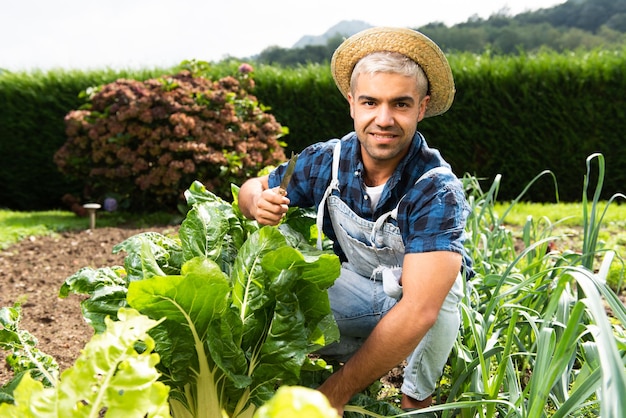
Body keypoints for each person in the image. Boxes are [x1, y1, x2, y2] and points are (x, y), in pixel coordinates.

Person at [239, 26, 472, 416]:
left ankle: (415, 401)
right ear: (352, 104)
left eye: (400, 104)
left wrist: (333, 394)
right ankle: (316, 364)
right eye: (370, 102)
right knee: (261, 292)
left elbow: (418, 309)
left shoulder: (436, 188)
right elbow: (253, 186)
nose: (384, 119)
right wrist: (256, 202)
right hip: (357, 290)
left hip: (417, 312)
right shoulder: (325, 160)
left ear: (422, 107)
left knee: (442, 295)